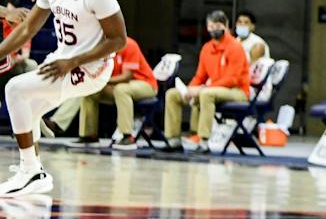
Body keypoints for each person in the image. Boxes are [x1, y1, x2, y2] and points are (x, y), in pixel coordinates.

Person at [0, 0, 127, 197]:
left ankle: (29, 171)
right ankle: (36, 174)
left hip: (93, 67)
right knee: (29, 108)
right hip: (64, 58)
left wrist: (73, 61)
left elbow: (118, 39)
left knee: (14, 89)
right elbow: (26, 31)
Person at [162, 10, 251, 153]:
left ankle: (203, 141)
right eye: (211, 26)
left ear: (226, 26)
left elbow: (232, 79)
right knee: (172, 94)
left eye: (217, 26)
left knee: (206, 94)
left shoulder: (235, 47)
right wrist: (190, 89)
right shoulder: (207, 48)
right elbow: (200, 76)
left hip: (237, 91)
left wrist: (203, 88)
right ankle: (173, 140)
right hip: (214, 89)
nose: (213, 29)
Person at [76, 35, 157, 150]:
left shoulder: (129, 44)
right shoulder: (102, 48)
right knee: (90, 91)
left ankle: (127, 137)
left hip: (145, 84)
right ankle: (89, 136)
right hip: (116, 85)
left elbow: (127, 76)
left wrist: (103, 80)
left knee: (121, 89)